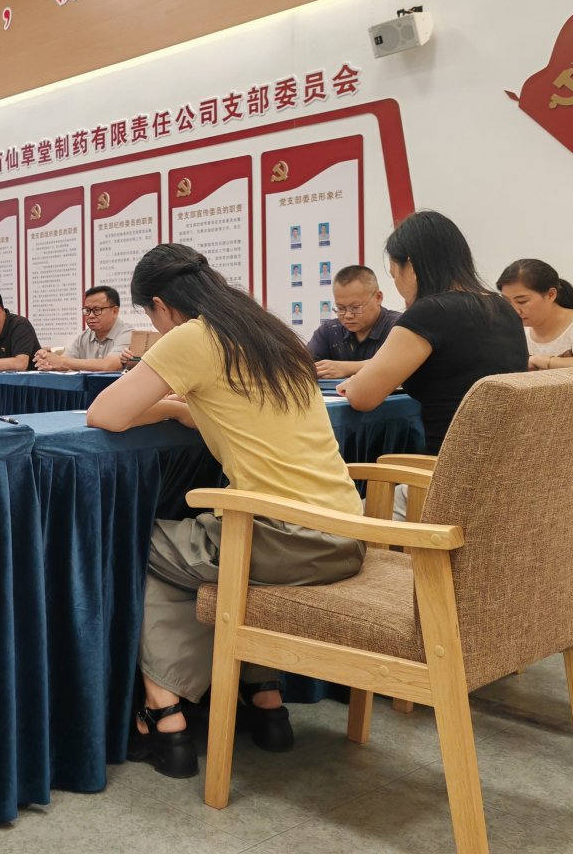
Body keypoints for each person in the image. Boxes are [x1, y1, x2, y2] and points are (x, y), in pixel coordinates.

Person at [87, 243, 364, 779]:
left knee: (140, 545)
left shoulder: (193, 336)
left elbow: (106, 414)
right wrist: (183, 410)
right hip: (344, 533)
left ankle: (166, 720)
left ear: (160, 305)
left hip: (282, 540)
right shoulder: (267, 330)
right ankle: (265, 702)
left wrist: (163, 407)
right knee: (197, 562)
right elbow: (235, 411)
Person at [339, 211, 529, 454]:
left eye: (394, 274)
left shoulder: (429, 313)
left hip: (445, 469)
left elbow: (362, 397)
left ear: (411, 266)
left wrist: (354, 383)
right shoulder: (503, 308)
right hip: (506, 464)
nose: (397, 284)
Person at [497, 259, 573, 369]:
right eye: (507, 301)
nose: (514, 310)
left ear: (551, 295)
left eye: (522, 301)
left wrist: (540, 361)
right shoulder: (518, 332)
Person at [306, 265, 402, 378]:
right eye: (341, 308)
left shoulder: (399, 326)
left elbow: (401, 362)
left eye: (355, 307)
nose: (348, 315)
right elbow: (302, 366)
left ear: (378, 298)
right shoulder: (329, 331)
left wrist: (348, 368)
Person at [34, 285, 130, 372]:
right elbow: (64, 363)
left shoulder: (127, 333)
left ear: (114, 311)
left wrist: (61, 361)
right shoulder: (84, 336)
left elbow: (108, 365)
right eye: (87, 310)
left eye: (97, 310)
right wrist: (47, 361)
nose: (91, 315)